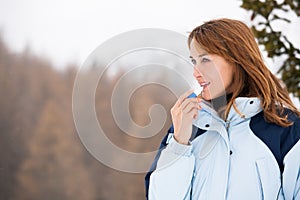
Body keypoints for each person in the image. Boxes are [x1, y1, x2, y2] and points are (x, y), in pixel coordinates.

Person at [144, 18, 300, 200]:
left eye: (205, 60)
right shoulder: (188, 128)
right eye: (194, 61)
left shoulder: (286, 127)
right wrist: (179, 143)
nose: (196, 72)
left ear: (237, 59)